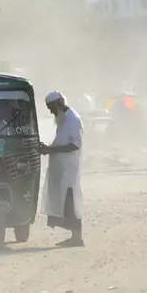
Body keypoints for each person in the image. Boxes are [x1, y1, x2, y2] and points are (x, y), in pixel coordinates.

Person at [39, 91, 84, 247]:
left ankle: (77, 238)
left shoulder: (73, 119)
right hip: (61, 169)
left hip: (69, 170)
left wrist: (50, 150)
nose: (51, 112)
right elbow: (62, 142)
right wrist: (48, 148)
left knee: (70, 201)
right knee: (64, 202)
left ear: (59, 104)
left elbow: (75, 145)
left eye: (52, 108)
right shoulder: (63, 119)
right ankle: (75, 237)